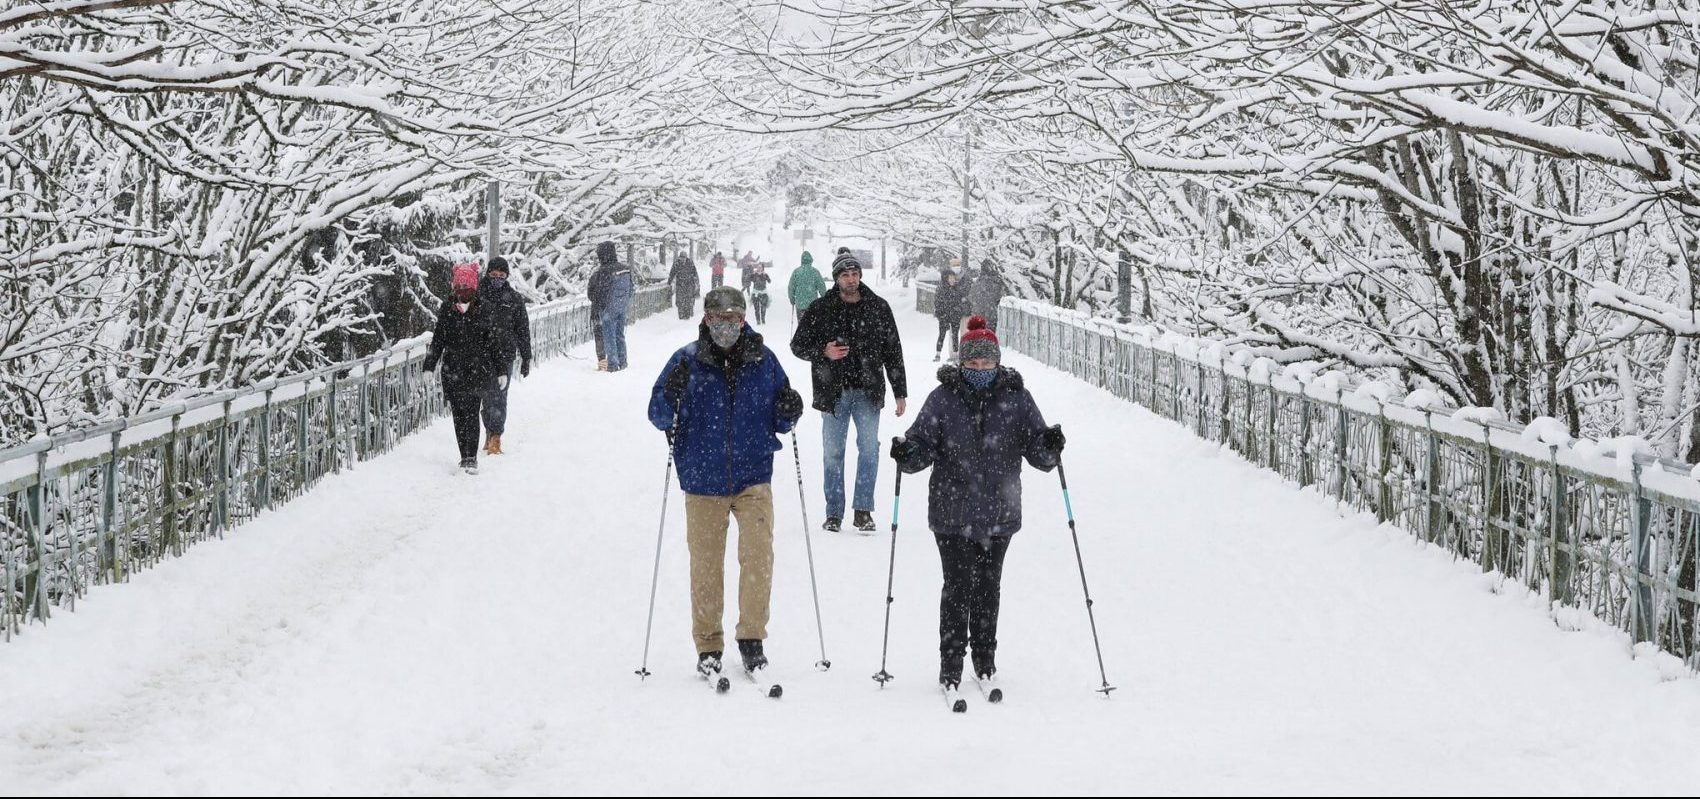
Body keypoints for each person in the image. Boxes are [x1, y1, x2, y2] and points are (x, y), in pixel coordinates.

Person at [888, 316, 1066, 692]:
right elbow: (921, 444)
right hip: (952, 511)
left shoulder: (1017, 398)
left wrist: (1049, 446)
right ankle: (950, 662)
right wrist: (908, 452)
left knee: (988, 587)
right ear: (961, 363)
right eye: (972, 363)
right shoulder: (943, 399)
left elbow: (1037, 450)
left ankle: (985, 660)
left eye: (986, 363)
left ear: (997, 362)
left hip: (999, 511)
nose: (979, 369)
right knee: (957, 587)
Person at [648, 286, 806, 677]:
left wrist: (790, 411)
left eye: (734, 319)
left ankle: (752, 637)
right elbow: (658, 415)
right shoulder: (685, 361)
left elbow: (782, 418)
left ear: (744, 320)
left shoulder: (764, 361)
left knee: (758, 558)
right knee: (705, 564)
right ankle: (708, 644)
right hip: (702, 477)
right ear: (706, 319)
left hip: (753, 475)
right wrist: (671, 394)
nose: (726, 327)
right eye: (719, 320)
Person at [789, 247, 908, 533]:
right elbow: (797, 346)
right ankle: (833, 512)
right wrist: (823, 351)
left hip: (868, 391)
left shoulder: (878, 307)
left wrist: (900, 391)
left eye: (855, 274)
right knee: (833, 453)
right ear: (836, 278)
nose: (851, 279)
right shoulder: (821, 309)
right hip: (833, 392)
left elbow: (893, 350)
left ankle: (863, 510)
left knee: (869, 450)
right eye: (846, 275)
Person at [423, 263, 497, 474]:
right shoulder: (447, 310)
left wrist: (500, 369)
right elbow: (438, 341)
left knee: (472, 413)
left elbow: (493, 342)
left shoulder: (484, 309)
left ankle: (471, 457)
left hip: (477, 371)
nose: (463, 290)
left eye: (467, 286)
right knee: (458, 415)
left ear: (474, 287)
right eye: (460, 285)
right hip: (452, 371)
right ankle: (463, 454)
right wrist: (430, 366)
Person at [477, 257, 532, 455]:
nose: (497, 279)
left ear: (507, 276)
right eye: (494, 275)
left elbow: (522, 329)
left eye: (501, 276)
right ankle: (488, 430)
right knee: (485, 396)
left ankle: (496, 437)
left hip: (506, 354)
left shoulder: (514, 299)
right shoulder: (477, 295)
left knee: (499, 396)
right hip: (481, 355)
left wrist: (526, 357)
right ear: (488, 274)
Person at [587, 241, 634, 372]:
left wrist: (600, 307)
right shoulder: (624, 269)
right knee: (619, 334)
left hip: (607, 309)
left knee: (609, 336)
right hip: (621, 307)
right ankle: (623, 361)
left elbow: (596, 293)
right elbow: (631, 289)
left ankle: (612, 364)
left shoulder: (603, 271)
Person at [931, 269, 968, 362]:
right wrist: (941, 315)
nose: (952, 280)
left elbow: (961, 301)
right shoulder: (940, 289)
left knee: (955, 335)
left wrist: (958, 310)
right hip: (944, 315)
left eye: (953, 278)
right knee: (942, 334)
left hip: (955, 315)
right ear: (945, 278)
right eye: (950, 278)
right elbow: (937, 303)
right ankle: (937, 354)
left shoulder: (957, 288)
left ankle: (955, 354)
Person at [967, 259, 1006, 331]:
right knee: (990, 338)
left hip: (977, 317)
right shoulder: (996, 282)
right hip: (991, 316)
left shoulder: (977, 282)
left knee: (979, 338)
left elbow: (971, 297)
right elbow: (1000, 297)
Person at [787, 250, 826, 323]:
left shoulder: (796, 272)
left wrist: (792, 299)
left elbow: (791, 287)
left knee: (802, 324)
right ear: (811, 260)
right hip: (813, 304)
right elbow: (821, 286)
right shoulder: (815, 272)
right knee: (813, 325)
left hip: (800, 304)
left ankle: (802, 333)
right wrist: (824, 298)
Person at [669, 252, 700, 320]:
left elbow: (695, 274)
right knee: (680, 301)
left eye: (684, 258)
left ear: (686, 257)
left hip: (689, 284)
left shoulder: (690, 263)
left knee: (688, 300)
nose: (682, 259)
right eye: (681, 257)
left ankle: (687, 315)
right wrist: (669, 282)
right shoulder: (676, 263)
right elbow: (672, 273)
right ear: (679, 257)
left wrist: (697, 284)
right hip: (680, 284)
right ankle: (681, 315)